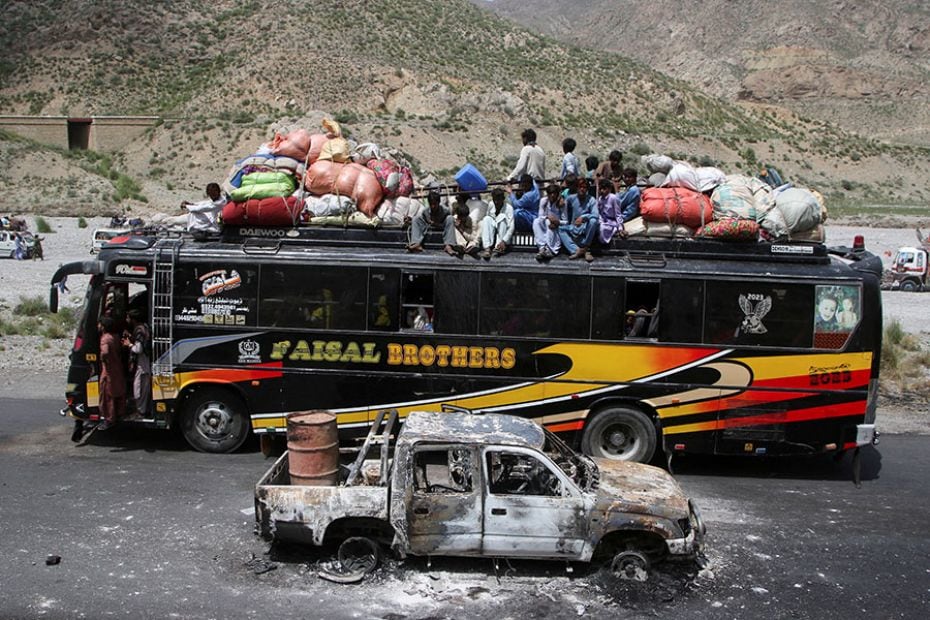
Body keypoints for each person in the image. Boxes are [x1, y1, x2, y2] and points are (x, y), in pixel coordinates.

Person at [96, 316, 126, 431]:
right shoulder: (115, 337)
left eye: (99, 324)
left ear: (103, 326)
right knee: (118, 391)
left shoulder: (105, 339)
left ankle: (109, 419)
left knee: (108, 395)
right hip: (117, 367)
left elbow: (105, 352)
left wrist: (103, 359)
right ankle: (120, 413)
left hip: (108, 370)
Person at [407, 187, 457, 256]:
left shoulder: (445, 211)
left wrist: (437, 224)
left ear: (439, 203)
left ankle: (448, 245)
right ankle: (416, 243)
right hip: (428, 227)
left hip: (441, 226)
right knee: (415, 218)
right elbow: (422, 222)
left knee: (450, 218)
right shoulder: (425, 211)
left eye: (435, 204)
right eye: (431, 204)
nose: (433, 206)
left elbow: (448, 224)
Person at [558, 177, 598, 262]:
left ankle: (586, 247)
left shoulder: (591, 200)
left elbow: (596, 215)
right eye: (580, 187)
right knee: (560, 229)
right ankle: (577, 250)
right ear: (577, 188)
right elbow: (561, 203)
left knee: (593, 221)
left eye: (584, 187)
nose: (582, 189)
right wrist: (561, 198)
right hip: (574, 227)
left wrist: (583, 217)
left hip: (585, 229)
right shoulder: (571, 198)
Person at [123, 309, 152, 418]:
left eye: (128, 318)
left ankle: (141, 411)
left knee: (139, 390)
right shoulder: (143, 328)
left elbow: (138, 349)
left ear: (133, 319)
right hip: (143, 364)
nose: (127, 320)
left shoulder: (140, 331)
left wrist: (129, 345)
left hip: (142, 364)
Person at [532, 184, 565, 261]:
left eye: (554, 193)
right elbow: (540, 216)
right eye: (550, 193)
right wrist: (548, 217)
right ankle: (542, 248)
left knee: (549, 223)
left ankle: (550, 250)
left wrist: (557, 222)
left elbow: (565, 221)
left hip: (557, 228)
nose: (552, 195)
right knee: (536, 221)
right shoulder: (544, 201)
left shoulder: (561, 203)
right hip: (546, 225)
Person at [478, 188, 514, 259]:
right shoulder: (491, 204)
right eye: (495, 200)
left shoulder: (509, 208)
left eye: (499, 200)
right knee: (486, 219)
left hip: (503, 233)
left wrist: (504, 241)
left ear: (503, 199)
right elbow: (489, 218)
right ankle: (487, 248)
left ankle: (499, 247)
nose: (496, 202)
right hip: (494, 230)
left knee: (502, 217)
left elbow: (511, 227)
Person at [595, 179, 624, 246]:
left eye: (604, 188)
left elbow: (618, 214)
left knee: (602, 228)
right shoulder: (600, 199)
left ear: (609, 189)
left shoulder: (613, 198)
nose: (602, 191)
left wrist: (620, 228)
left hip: (611, 222)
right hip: (602, 220)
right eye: (601, 189)